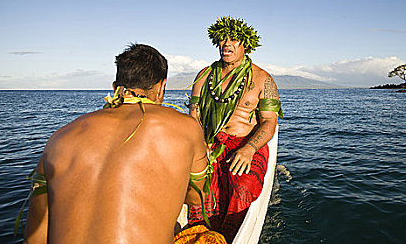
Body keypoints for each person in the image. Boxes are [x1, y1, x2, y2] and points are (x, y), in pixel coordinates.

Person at [23, 44, 222, 244]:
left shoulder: (59, 138)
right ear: (162, 87)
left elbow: (34, 238)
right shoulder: (185, 127)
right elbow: (197, 199)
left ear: (114, 87)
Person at [188, 16, 282, 241]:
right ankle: (199, 233)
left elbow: (269, 122)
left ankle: (230, 235)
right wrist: (200, 145)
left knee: (242, 187)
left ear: (246, 45)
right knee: (194, 186)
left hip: (245, 143)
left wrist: (249, 149)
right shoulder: (204, 77)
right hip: (210, 143)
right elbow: (194, 117)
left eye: (233, 40)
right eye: (222, 39)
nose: (226, 44)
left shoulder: (263, 79)